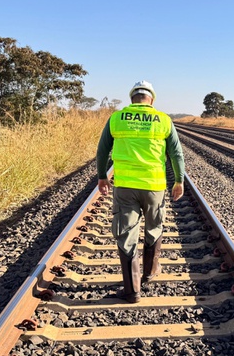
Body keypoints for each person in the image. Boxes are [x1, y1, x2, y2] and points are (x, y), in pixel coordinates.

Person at [96, 80, 185, 303]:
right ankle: (150, 272)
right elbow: (176, 154)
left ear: (132, 98)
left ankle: (132, 290)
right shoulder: (163, 120)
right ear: (151, 99)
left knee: (126, 234)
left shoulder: (117, 118)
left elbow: (102, 150)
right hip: (154, 186)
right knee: (154, 227)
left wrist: (102, 176)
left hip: (126, 186)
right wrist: (179, 181)